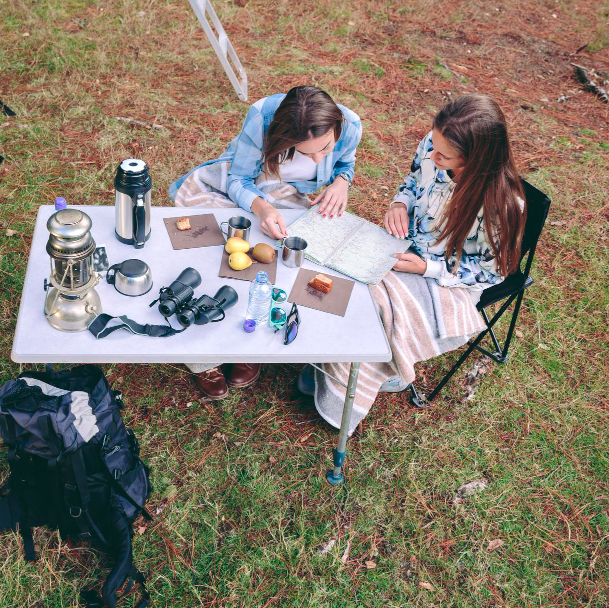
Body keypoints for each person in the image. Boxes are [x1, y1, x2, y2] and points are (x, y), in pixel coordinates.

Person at [300, 94, 527, 433]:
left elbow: (490, 272)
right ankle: (332, 360)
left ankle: (366, 374)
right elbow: (411, 181)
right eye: (432, 146)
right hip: (407, 246)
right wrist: (398, 206)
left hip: (449, 280)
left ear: (475, 158)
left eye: (443, 155)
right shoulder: (433, 147)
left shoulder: (502, 205)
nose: (432, 156)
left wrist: (427, 269)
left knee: (370, 304)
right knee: (336, 271)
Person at [168, 85, 362, 399]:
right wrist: (262, 207)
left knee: (285, 270)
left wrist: (342, 182)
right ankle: (205, 354)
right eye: (304, 150)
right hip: (251, 189)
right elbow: (238, 179)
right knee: (214, 253)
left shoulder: (350, 124)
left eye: (324, 148)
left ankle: (249, 343)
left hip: (292, 197)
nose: (316, 158)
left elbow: (345, 166)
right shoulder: (262, 116)